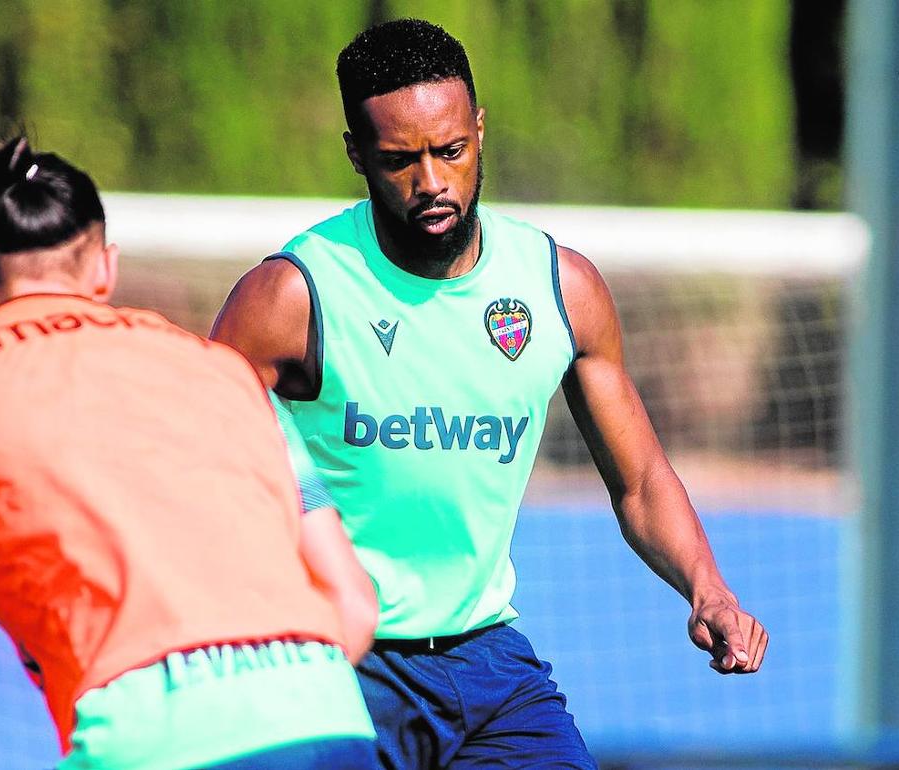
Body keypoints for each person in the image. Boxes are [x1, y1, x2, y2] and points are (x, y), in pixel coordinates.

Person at [211, 18, 769, 770]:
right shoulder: (293, 294)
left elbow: (638, 479)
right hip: (331, 669)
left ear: (479, 129)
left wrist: (708, 589)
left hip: (489, 666)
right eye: (400, 160)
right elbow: (192, 460)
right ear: (356, 155)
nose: (432, 182)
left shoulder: (559, 287)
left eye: (450, 150)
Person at [0, 136, 379, 770]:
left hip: (151, 742)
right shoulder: (225, 371)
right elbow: (355, 605)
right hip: (327, 715)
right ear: (105, 267)